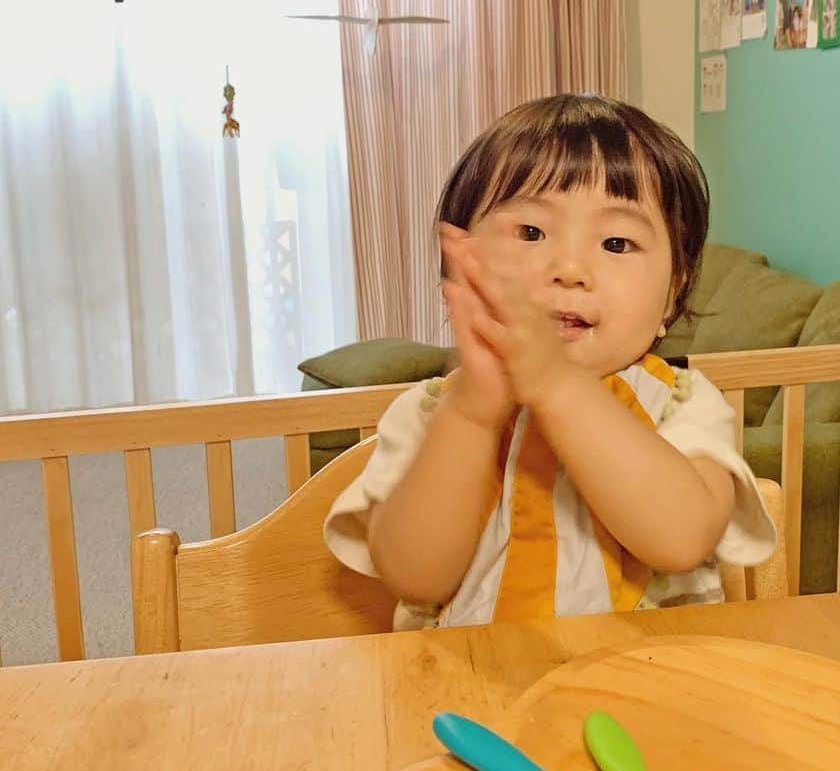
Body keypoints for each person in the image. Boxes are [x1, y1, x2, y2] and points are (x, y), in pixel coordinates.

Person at [325, 95, 777, 629]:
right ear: (465, 269)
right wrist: (471, 417)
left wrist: (556, 385)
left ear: (673, 291)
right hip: (468, 691)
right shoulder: (431, 414)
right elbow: (414, 577)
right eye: (531, 233)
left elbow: (680, 539)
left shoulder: (680, 405)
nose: (568, 269)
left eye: (616, 242)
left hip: (645, 690)